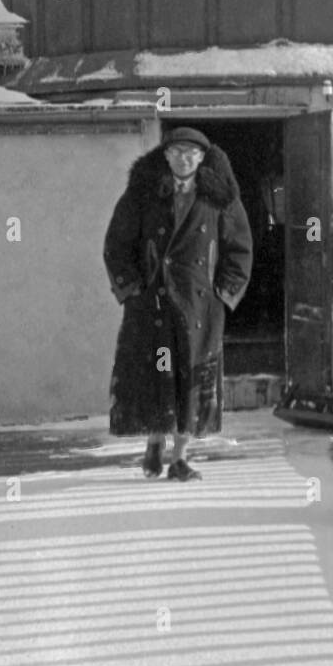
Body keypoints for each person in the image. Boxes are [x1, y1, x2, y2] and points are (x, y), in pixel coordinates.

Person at [103, 127, 253, 481]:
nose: (184, 159)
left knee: (191, 380)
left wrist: (224, 294)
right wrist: (132, 290)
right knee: (158, 374)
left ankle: (180, 457)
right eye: (177, 152)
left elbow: (240, 248)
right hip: (152, 305)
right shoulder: (143, 195)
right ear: (166, 156)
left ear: (202, 159)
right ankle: (154, 444)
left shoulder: (219, 198)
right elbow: (117, 244)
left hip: (199, 308)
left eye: (192, 153)